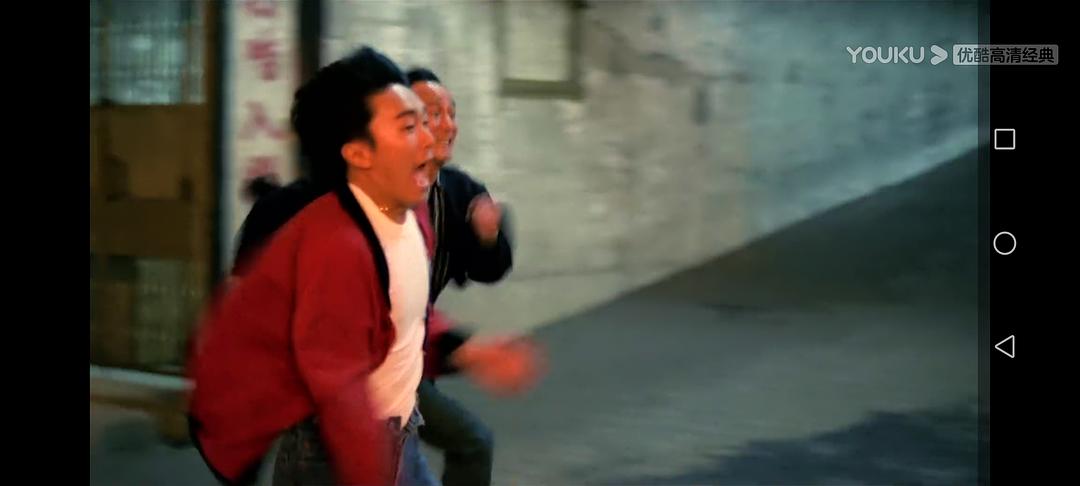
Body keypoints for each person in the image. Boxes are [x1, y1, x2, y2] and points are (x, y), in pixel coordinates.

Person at [188, 46, 443, 486]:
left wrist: (465, 347)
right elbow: (334, 380)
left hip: (397, 432)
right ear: (357, 153)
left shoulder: (409, 214)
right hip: (338, 447)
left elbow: (404, 307)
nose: (430, 139)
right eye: (408, 126)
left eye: (424, 121)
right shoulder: (331, 242)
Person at [407, 67, 520, 486]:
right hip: (376, 366)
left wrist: (487, 237)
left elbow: (489, 269)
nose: (449, 125)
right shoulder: (384, 197)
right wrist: (467, 350)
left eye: (452, 113)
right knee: (470, 442)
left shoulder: (458, 191)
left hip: (415, 354)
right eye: (434, 113)